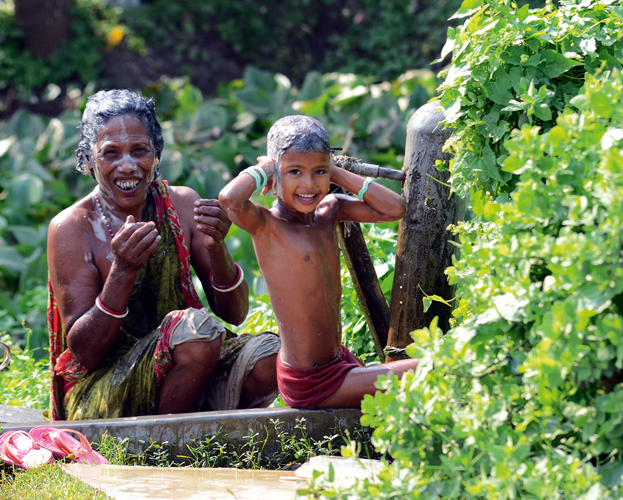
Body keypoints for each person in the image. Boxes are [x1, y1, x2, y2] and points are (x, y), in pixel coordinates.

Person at [46, 89, 280, 420]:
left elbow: (235, 313)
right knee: (195, 334)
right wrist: (123, 272)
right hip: (102, 390)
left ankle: (199, 427)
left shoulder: (182, 204)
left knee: (272, 358)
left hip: (188, 366)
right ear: (87, 161)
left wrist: (217, 248)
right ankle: (167, 444)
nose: (127, 166)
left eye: (139, 151)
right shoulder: (72, 228)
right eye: (110, 153)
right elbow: (85, 352)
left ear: (156, 155)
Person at [218, 115, 418, 409]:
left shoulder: (329, 212)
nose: (309, 184)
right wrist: (264, 168)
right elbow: (229, 200)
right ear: (276, 176)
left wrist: (336, 173)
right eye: (295, 171)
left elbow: (394, 208)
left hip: (338, 361)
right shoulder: (267, 226)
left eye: (318, 172)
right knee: (430, 370)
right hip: (310, 381)